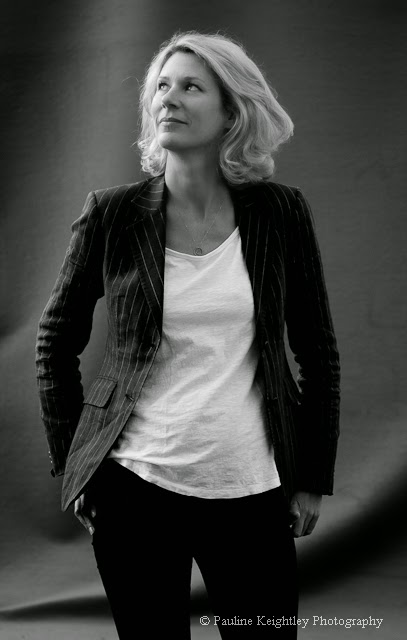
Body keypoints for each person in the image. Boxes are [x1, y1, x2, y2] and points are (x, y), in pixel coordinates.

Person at [35, 30, 340, 639]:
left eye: (191, 87)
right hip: (134, 489)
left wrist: (311, 477)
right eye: (161, 86)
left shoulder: (281, 213)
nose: (168, 99)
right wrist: (79, 468)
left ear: (232, 112)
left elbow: (317, 350)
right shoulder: (112, 214)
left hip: (252, 489)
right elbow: (55, 342)